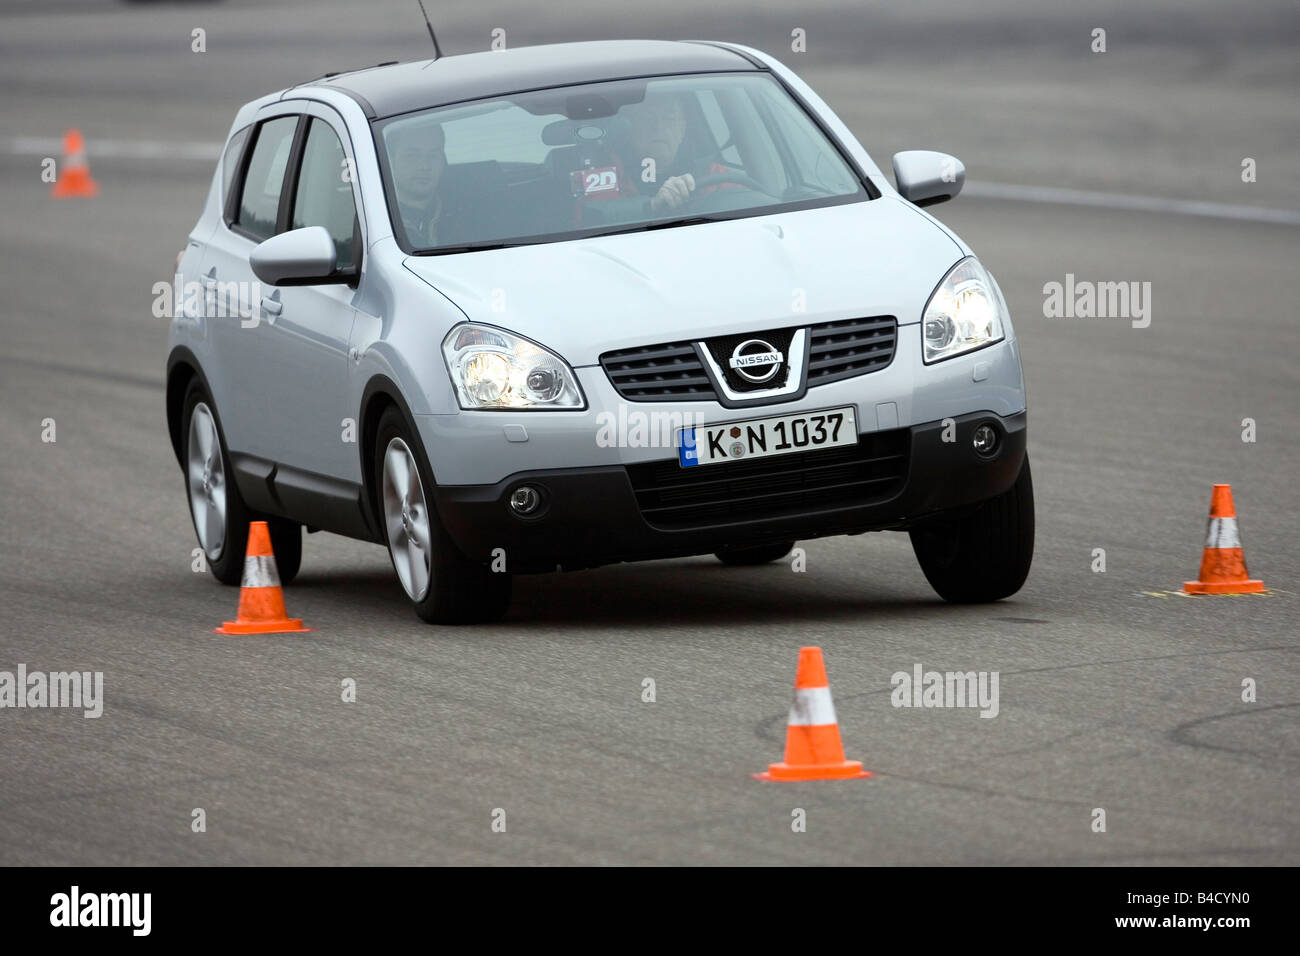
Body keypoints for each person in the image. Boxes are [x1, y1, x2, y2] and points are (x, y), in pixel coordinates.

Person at [388, 120, 447, 244]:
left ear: (443, 162)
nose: (424, 166)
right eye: (412, 156)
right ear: (390, 161)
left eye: (433, 155)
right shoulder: (375, 222)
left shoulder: (468, 216)